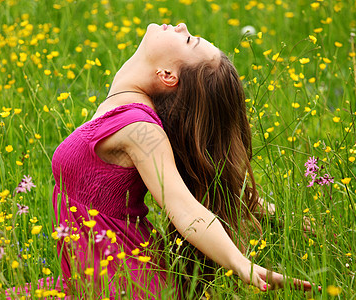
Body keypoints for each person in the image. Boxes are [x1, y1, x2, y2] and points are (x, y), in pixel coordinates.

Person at [49, 23, 314, 299]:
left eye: (188, 40)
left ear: (167, 75)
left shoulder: (139, 129)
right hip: (97, 280)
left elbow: (184, 208)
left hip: (128, 287)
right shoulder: (129, 112)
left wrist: (240, 263)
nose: (181, 26)